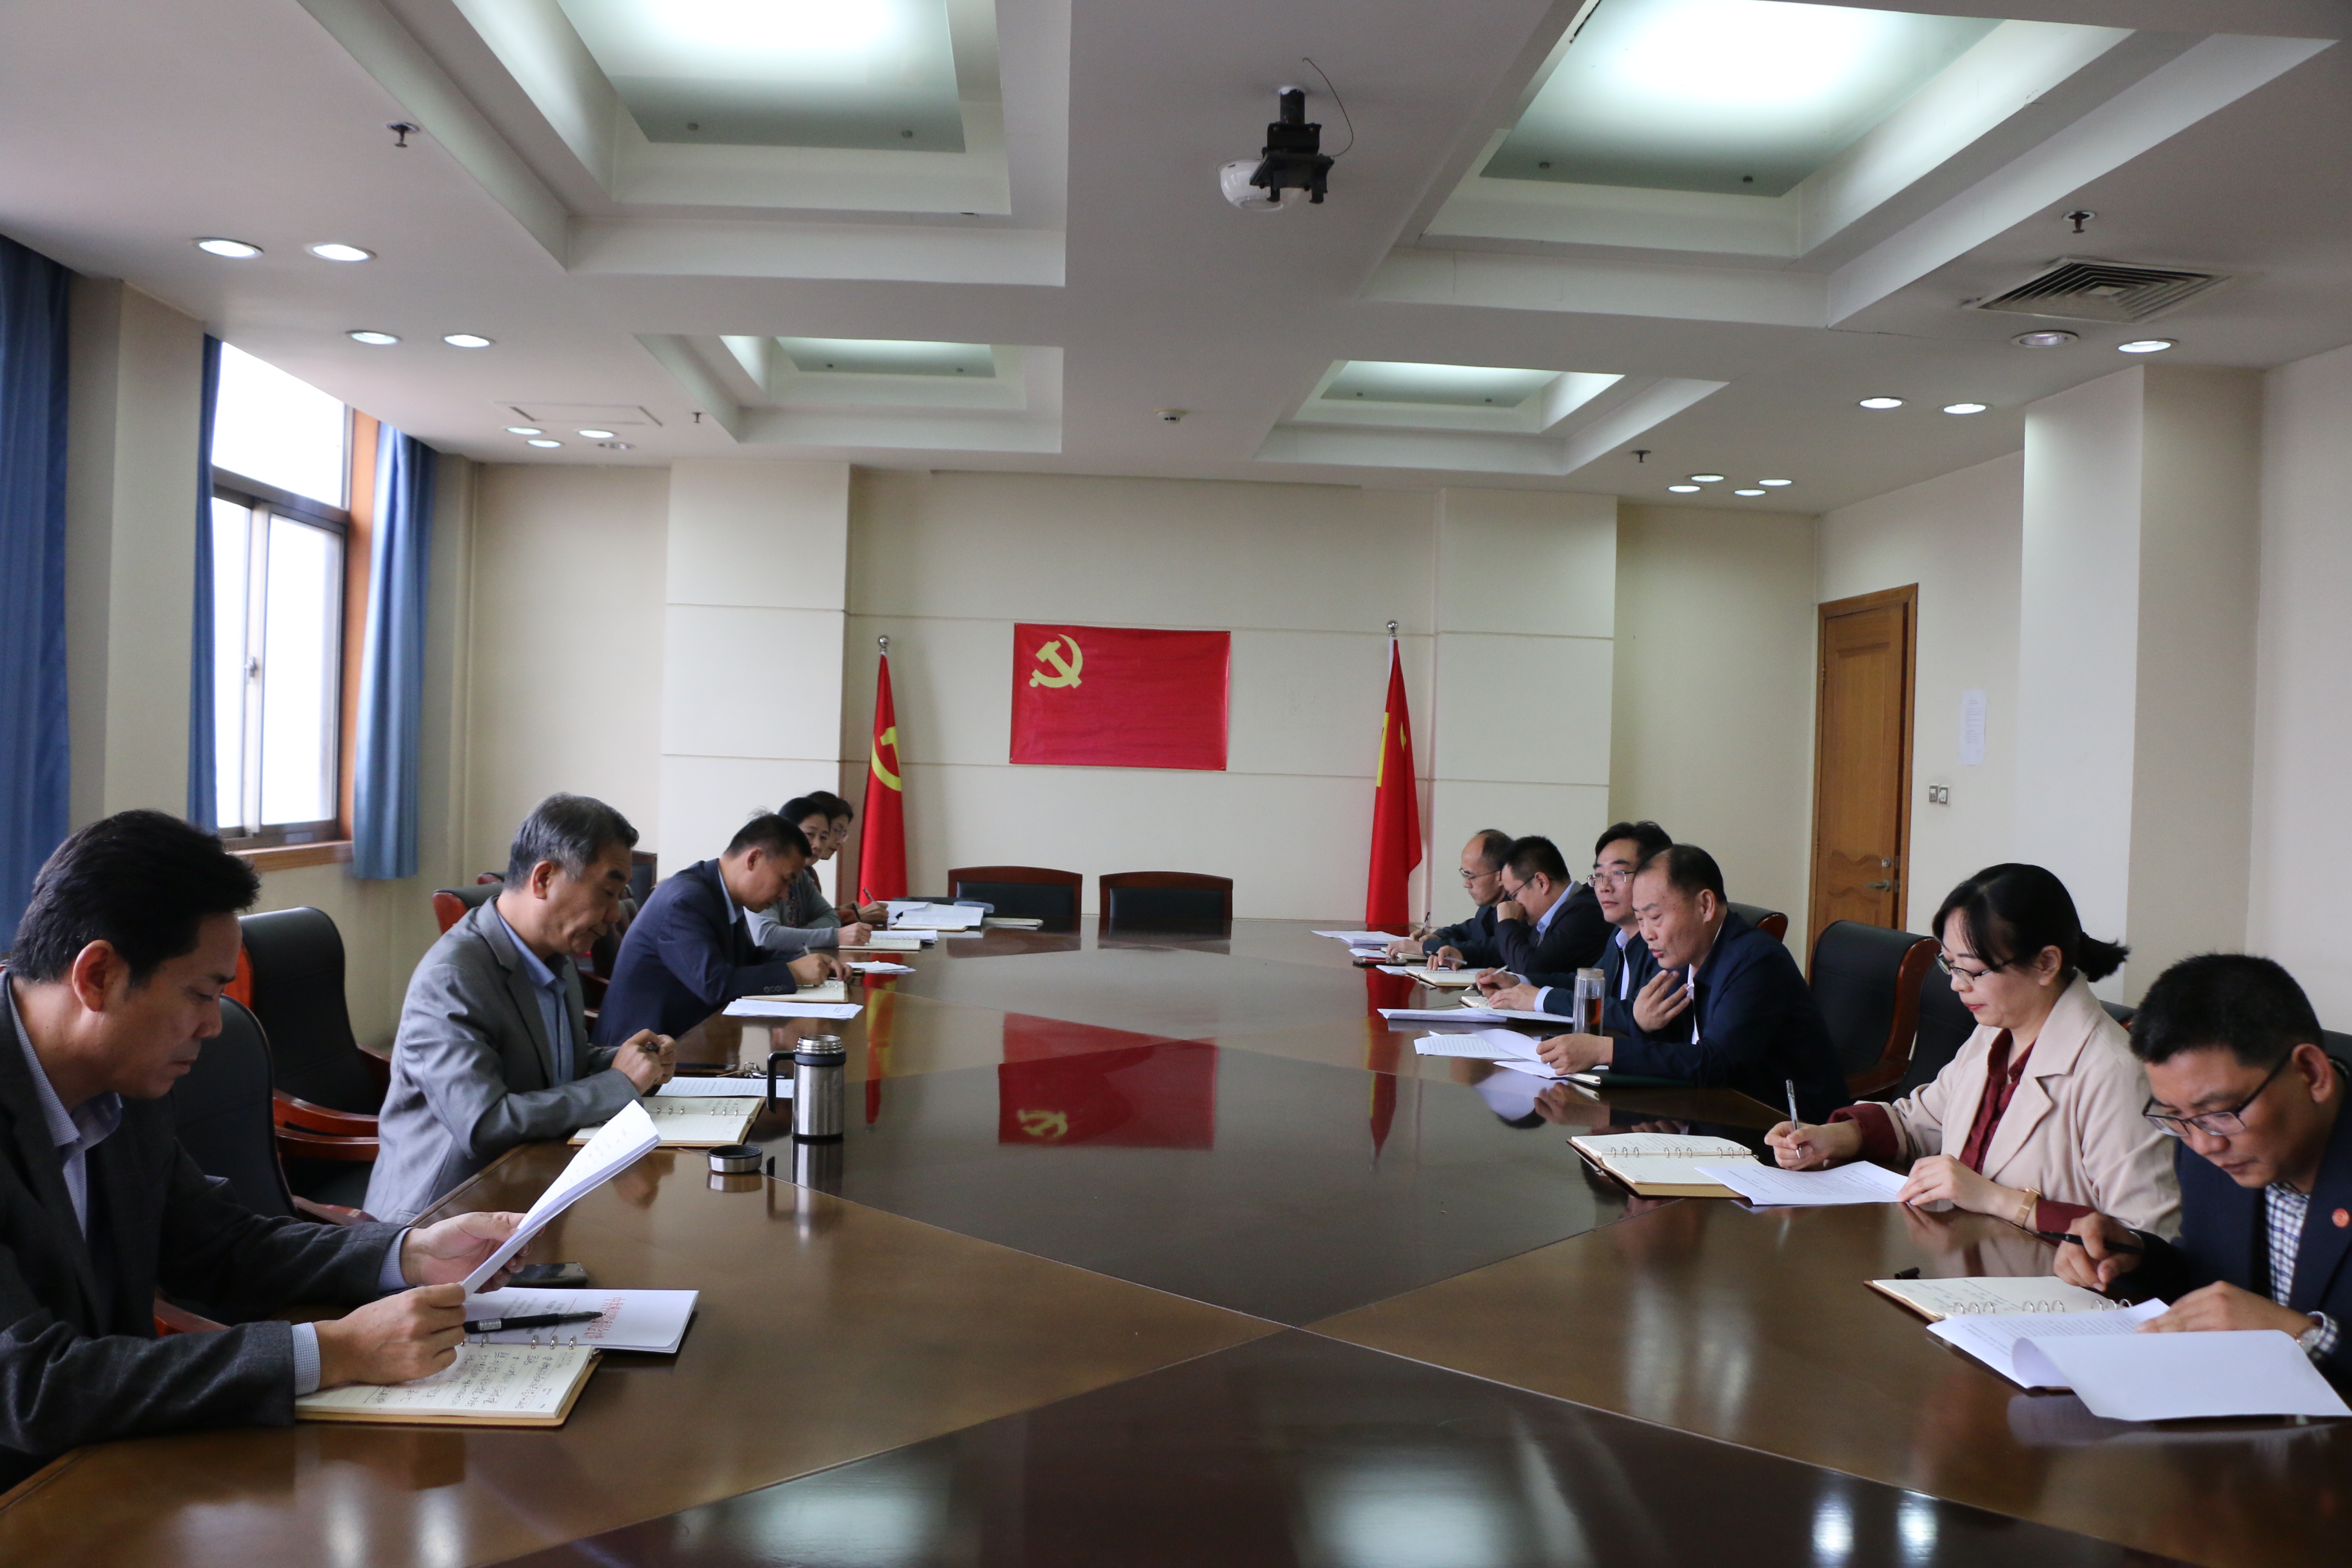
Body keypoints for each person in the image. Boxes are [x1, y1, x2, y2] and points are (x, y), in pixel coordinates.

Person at [0, 810, 527, 1489]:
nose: (214, 1025)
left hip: (106, 1465)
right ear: (97, 975)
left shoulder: (122, 1081)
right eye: (200, 993)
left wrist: (407, 1253)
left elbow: (219, 1246)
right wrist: (330, 1351)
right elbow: (30, 1386)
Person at [1766, 864, 2179, 1236]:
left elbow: (2146, 1237)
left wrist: (1996, 1199)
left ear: (2046, 964)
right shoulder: (1995, 1034)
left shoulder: (2115, 1071)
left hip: (2046, 1284)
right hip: (1958, 1256)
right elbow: (1920, 1124)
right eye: (1949, 964)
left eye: (1974, 970)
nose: (1956, 984)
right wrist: (1837, 1137)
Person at [368, 794, 678, 1222]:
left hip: (531, 1188)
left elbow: (551, 1065)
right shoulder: (453, 977)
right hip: (443, 1215)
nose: (613, 915)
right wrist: (618, 1083)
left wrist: (632, 1062)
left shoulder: (554, 955)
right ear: (544, 878)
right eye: (607, 893)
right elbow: (484, 1124)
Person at [2057, 954, 2352, 1379]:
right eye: (2176, 1116)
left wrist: (2301, 1337)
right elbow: (2212, 1283)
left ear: (2310, 1073)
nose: (2204, 1145)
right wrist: (2134, 1255)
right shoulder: (2208, 1143)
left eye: (2220, 1113)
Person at [1536, 844, 1846, 1121]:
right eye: (1640, 919)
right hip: (1707, 1110)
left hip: (1785, 1129)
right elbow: (1674, 1048)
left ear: (1705, 906)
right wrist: (1645, 1026)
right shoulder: (1684, 956)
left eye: (1655, 917)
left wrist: (1605, 1051)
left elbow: (1718, 1063)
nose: (1647, 934)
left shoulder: (1756, 960)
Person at [593, 812, 838, 1047]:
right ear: (753, 859)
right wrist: (793, 973)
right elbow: (714, 984)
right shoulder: (686, 900)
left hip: (684, 1041)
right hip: (637, 1052)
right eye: (785, 880)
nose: (784, 895)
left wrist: (807, 962)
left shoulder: (720, 893)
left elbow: (748, 959)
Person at [1482, 821, 1671, 1019]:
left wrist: (1542, 999)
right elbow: (1586, 984)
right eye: (1599, 875)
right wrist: (1520, 982)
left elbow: (1632, 1013)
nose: (1604, 887)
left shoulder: (1663, 944)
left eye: (1618, 873)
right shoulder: (1620, 935)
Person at [747, 794, 872, 954]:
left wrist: (793, 936)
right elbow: (767, 937)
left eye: (824, 837)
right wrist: (833, 936)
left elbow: (832, 918)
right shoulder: (763, 872)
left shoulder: (803, 877)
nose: (818, 845)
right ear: (785, 831)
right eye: (810, 834)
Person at [1382, 829, 1512, 967]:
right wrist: (1438, 936)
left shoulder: (1517, 909)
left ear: (1500, 876)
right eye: (1464, 875)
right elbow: (1466, 931)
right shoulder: (1490, 906)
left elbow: (1496, 949)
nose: (1466, 884)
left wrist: (1423, 947)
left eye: (1471, 876)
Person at [1487, 836, 1611, 979]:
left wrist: (1507, 923)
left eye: (1515, 895)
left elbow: (1531, 971)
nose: (1515, 904)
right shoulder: (1548, 916)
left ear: (1542, 882)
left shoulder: (1584, 912)